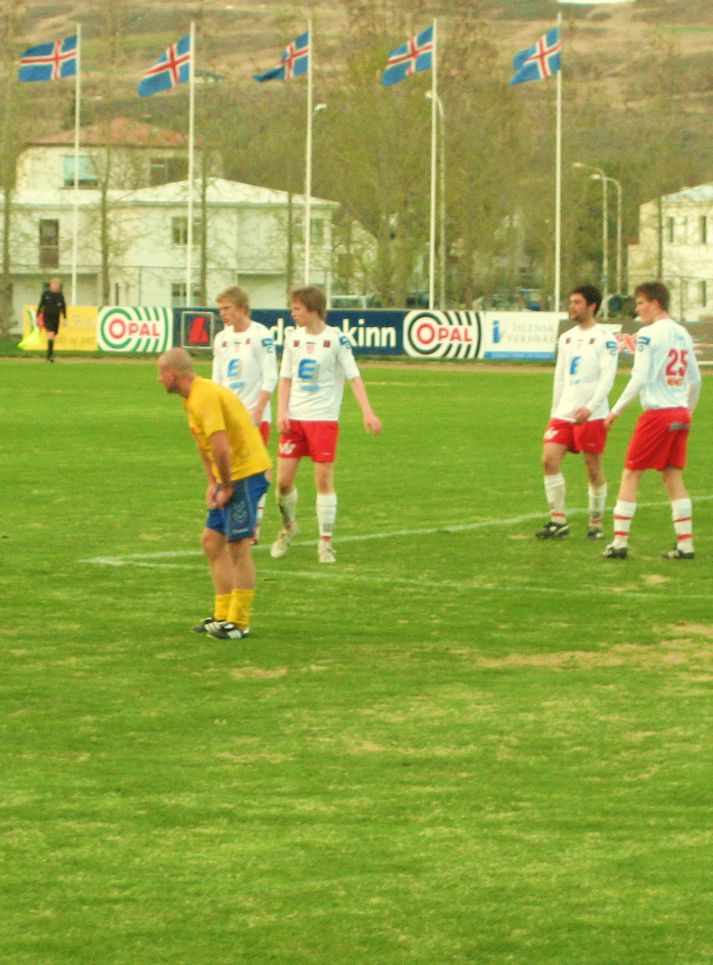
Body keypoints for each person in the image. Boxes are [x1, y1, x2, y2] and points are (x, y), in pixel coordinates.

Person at [157, 347, 272, 639]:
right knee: (212, 542)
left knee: (237, 545)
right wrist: (213, 482)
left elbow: (220, 444)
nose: (159, 381)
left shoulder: (204, 395)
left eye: (160, 375)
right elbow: (203, 443)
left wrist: (229, 484)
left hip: (245, 471)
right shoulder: (192, 399)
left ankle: (240, 622)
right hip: (231, 474)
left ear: (172, 375)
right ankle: (222, 614)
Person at [270, 285, 382, 564]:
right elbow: (285, 379)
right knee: (283, 483)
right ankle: (289, 527)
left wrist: (368, 412)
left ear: (313, 310)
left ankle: (325, 542)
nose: (292, 313)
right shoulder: (292, 339)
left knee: (323, 479)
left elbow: (354, 377)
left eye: (297, 308)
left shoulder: (337, 340)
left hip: (323, 420)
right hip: (294, 420)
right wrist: (281, 411)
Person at [602, 280, 701, 560]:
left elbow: (640, 378)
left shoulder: (648, 334)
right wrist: (687, 410)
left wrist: (614, 411)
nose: (638, 309)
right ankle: (686, 544)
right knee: (673, 476)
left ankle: (619, 542)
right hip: (680, 413)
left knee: (631, 473)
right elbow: (695, 380)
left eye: (641, 303)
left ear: (655, 303)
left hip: (658, 414)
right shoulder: (683, 334)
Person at [536, 284, 618, 540]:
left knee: (592, 468)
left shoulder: (605, 337)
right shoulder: (567, 337)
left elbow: (608, 378)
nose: (571, 306)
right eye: (571, 302)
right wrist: (555, 410)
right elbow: (560, 377)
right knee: (549, 460)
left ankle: (596, 522)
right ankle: (558, 521)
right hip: (564, 413)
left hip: (591, 414)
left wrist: (591, 407)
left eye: (577, 302)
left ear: (591, 306)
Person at [212, 286, 278, 543]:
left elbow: (270, 374)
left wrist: (259, 410)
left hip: (252, 414)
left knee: (255, 469)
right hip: (227, 416)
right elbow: (217, 379)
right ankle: (233, 521)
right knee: (228, 468)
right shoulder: (221, 338)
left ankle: (255, 524)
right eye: (220, 309)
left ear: (241, 308)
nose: (223, 314)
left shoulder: (261, 335)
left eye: (226, 309)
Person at [37, 277, 67, 363]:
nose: (55, 286)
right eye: (54, 284)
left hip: (56, 318)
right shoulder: (46, 293)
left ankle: (49, 355)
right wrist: (38, 315)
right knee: (50, 334)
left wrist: (64, 317)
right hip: (47, 317)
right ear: (51, 285)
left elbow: (63, 307)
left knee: (53, 336)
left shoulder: (60, 295)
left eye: (57, 285)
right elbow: (41, 304)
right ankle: (49, 356)